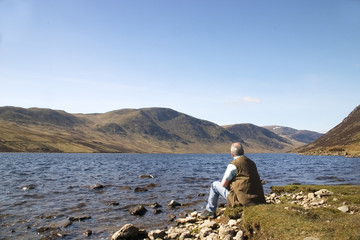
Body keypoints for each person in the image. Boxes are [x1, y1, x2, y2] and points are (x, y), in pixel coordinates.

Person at [200, 142, 265, 219]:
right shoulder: (252, 163)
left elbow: (223, 184)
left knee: (214, 185)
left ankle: (210, 211)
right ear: (243, 151)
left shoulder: (233, 165)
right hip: (257, 199)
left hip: (242, 201)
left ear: (232, 154)